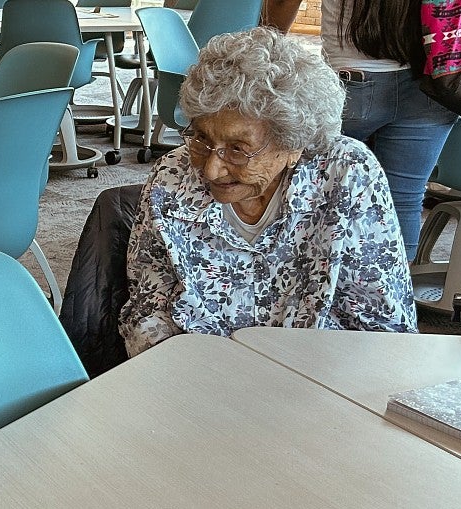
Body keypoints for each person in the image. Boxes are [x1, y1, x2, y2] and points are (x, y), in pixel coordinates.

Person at [118, 27, 418, 357]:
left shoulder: (347, 174)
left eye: (237, 149)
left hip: (311, 374)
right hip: (200, 372)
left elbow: (382, 326)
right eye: (202, 139)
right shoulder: (171, 176)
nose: (210, 170)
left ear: (294, 145)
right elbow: (147, 309)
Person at [265, 0, 457, 261]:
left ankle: (307, 285)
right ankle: (393, 294)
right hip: (433, 84)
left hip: (352, 87)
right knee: (404, 201)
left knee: (310, 192)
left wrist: (266, 45)